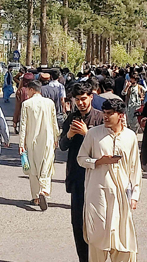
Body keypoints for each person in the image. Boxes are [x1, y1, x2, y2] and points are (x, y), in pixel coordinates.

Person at [77, 98, 142, 262]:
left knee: (123, 239)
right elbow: (81, 158)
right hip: (97, 193)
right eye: (104, 113)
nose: (105, 117)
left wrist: (134, 196)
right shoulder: (94, 134)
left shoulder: (130, 136)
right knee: (98, 236)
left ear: (120, 115)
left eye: (109, 114)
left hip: (121, 195)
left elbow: (135, 168)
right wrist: (98, 162)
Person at [59, 82, 104, 262]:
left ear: (91, 97)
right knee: (78, 223)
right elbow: (62, 146)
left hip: (96, 177)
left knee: (96, 222)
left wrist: (87, 134)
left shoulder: (100, 119)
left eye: (84, 99)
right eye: (77, 100)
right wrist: (69, 135)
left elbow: (103, 149)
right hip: (77, 178)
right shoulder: (72, 118)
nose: (81, 103)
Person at [18, 81, 59, 210]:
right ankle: (44, 190)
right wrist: (56, 137)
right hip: (48, 139)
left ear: (31, 89)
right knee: (46, 165)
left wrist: (21, 143)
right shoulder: (49, 103)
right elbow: (54, 121)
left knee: (33, 168)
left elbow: (23, 125)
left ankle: (36, 196)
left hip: (32, 140)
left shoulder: (26, 104)